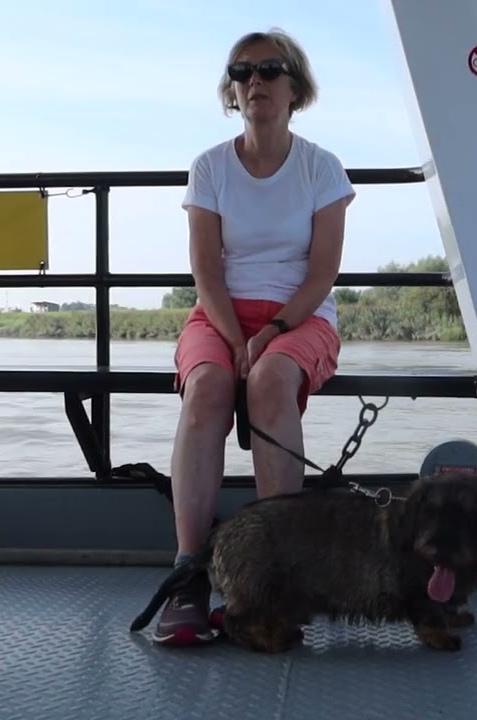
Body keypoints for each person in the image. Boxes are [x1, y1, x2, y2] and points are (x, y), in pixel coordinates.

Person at [150, 28, 357, 646]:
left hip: (301, 315)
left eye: (269, 70)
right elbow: (206, 272)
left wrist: (270, 332)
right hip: (218, 312)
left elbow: (322, 274)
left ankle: (277, 573)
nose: (255, 82)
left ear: (296, 87)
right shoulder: (210, 167)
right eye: (242, 73)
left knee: (269, 380)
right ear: (231, 92)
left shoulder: (322, 168)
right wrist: (230, 333)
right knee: (209, 386)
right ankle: (189, 572)